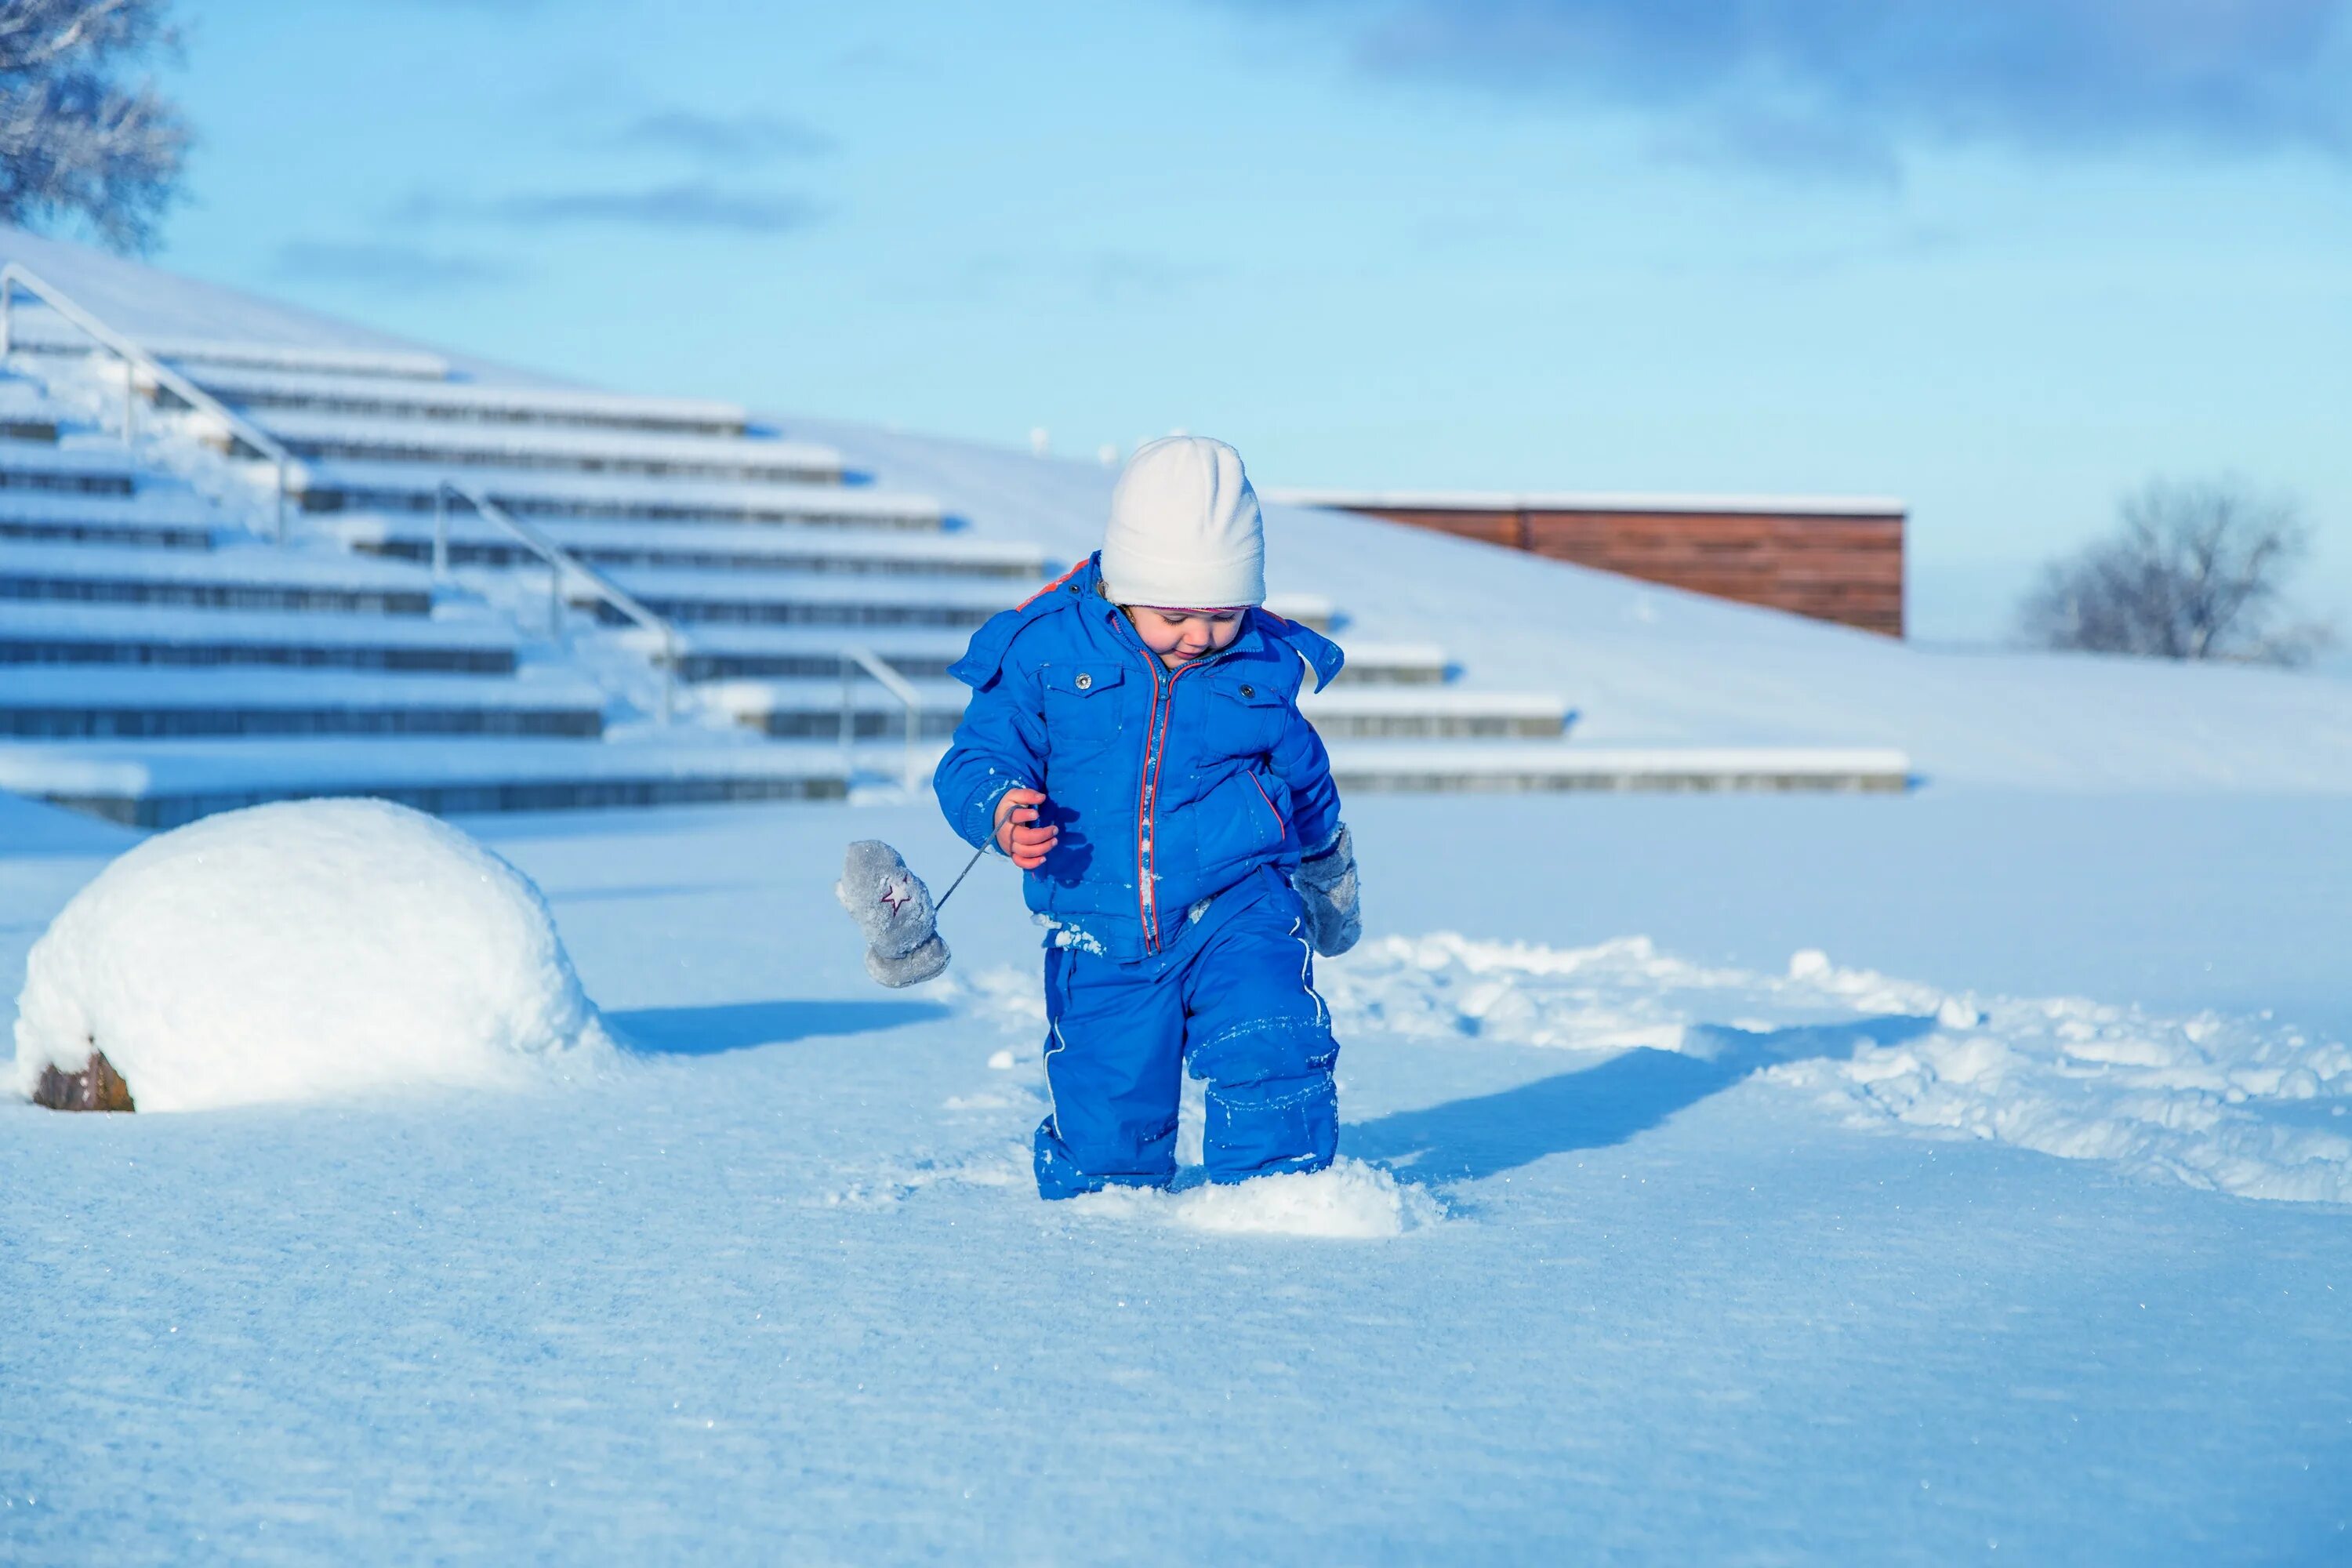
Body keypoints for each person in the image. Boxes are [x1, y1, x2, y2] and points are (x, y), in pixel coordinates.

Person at [934, 436, 1363, 1200]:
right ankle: (1109, 1224)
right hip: (1101, 923)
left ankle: (1284, 1199)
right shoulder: (1046, 652)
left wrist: (1326, 864)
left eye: (1224, 614)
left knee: (1270, 1037)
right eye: (1174, 614)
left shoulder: (1259, 664)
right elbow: (977, 756)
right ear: (1126, 583)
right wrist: (999, 808)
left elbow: (1304, 775)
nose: (1200, 635)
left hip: (1239, 903)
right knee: (1109, 1113)